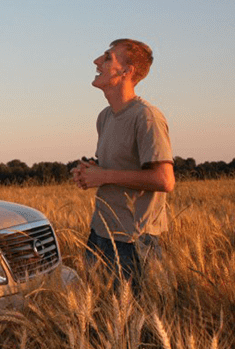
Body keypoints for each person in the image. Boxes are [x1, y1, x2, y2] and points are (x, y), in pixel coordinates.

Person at [72, 38, 175, 287]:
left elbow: (164, 180)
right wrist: (89, 172)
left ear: (127, 71)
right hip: (99, 234)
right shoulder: (105, 117)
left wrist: (104, 175)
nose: (97, 61)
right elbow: (116, 165)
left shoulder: (146, 117)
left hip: (134, 241)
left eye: (107, 58)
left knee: (136, 320)